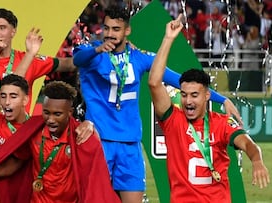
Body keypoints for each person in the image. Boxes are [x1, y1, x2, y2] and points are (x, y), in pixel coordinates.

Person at [73, 5, 241, 203]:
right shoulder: (91, 53)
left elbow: (179, 81)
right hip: (100, 140)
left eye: (116, 29)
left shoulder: (139, 57)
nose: (110, 34)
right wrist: (97, 49)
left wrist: (222, 99)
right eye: (107, 28)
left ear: (127, 31)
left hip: (130, 143)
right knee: (91, 198)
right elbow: (77, 59)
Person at [148, 15, 270, 202]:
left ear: (207, 96)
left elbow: (247, 143)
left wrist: (256, 160)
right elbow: (155, 82)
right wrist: (168, 39)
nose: (188, 101)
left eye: (194, 95)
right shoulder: (173, 120)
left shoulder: (221, 123)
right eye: (184, 94)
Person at [0, 81, 120, 203]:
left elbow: (95, 178)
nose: (50, 119)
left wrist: (90, 125)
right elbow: (18, 161)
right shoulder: (33, 130)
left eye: (57, 114)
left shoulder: (82, 136)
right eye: (46, 112)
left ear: (70, 112)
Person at [0, 8, 76, 115]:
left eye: (2, 28)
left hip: (20, 132)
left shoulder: (28, 59)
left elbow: (68, 64)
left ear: (13, 32)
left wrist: (92, 55)